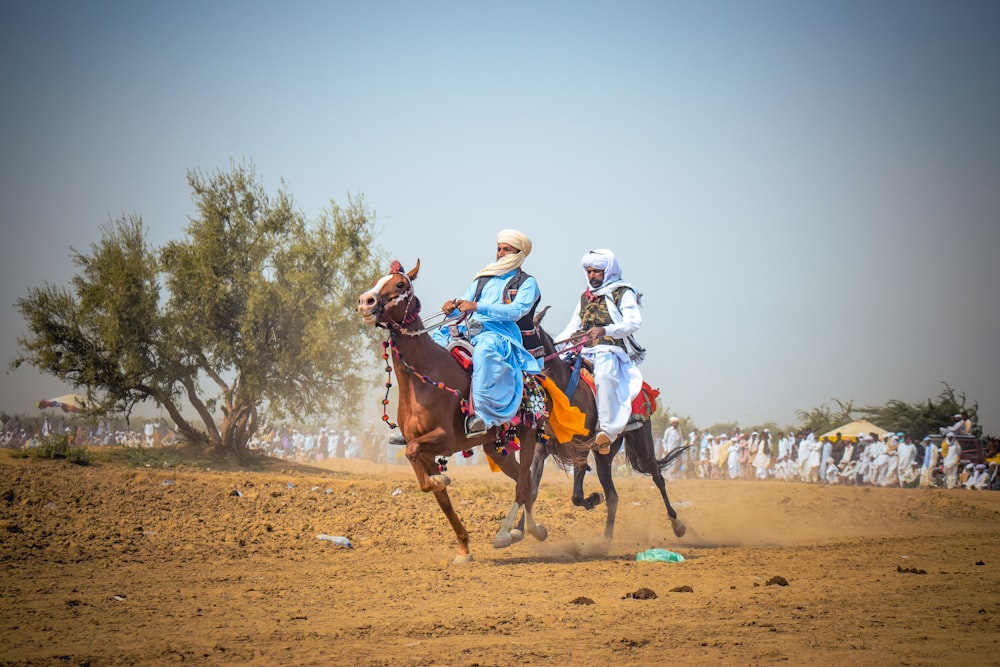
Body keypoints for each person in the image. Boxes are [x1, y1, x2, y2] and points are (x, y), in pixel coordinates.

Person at [432, 229, 543, 436]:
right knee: (434, 340)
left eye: (506, 249)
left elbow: (516, 311)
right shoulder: (482, 278)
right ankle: (426, 409)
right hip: (467, 328)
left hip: (500, 334)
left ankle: (481, 416)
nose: (500, 253)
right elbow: (463, 304)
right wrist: (451, 307)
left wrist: (478, 307)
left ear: (518, 254)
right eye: (499, 249)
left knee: (484, 350)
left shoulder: (527, 283)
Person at [555, 249, 644, 454]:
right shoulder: (585, 296)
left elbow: (633, 323)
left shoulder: (622, 292)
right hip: (582, 349)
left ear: (608, 271)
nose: (592, 276)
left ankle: (606, 432)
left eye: (596, 271)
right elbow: (571, 326)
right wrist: (553, 346)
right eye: (589, 271)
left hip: (609, 349)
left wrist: (605, 330)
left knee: (604, 375)